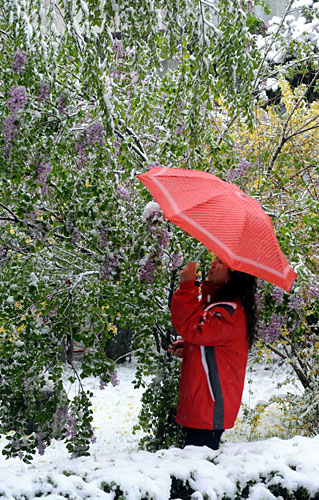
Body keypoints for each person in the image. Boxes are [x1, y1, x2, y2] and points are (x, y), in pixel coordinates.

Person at [168, 258, 257, 450]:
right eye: (214, 259)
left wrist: (187, 287)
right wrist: (190, 347)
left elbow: (192, 327)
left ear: (235, 274)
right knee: (196, 467)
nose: (212, 264)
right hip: (203, 405)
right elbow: (209, 340)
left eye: (220, 262)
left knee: (198, 471)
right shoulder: (220, 305)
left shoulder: (228, 311)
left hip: (209, 406)